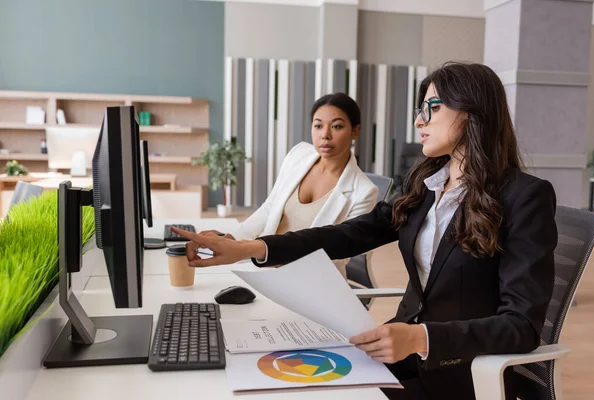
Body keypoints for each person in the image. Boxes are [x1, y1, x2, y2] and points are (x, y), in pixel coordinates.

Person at [172, 62, 558, 400]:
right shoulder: (427, 186)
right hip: (399, 358)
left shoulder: (525, 197)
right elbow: (343, 234)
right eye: (419, 110)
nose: (419, 121)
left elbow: (521, 326)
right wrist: (249, 248)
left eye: (432, 108)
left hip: (457, 375)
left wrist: (421, 338)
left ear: (474, 113)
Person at [201, 93, 378, 277]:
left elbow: (340, 252)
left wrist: (258, 252)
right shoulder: (298, 155)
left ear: (355, 131)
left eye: (337, 126)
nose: (325, 135)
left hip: (312, 279)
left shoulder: (364, 191)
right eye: (318, 126)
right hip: (265, 266)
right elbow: (270, 208)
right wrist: (233, 239)